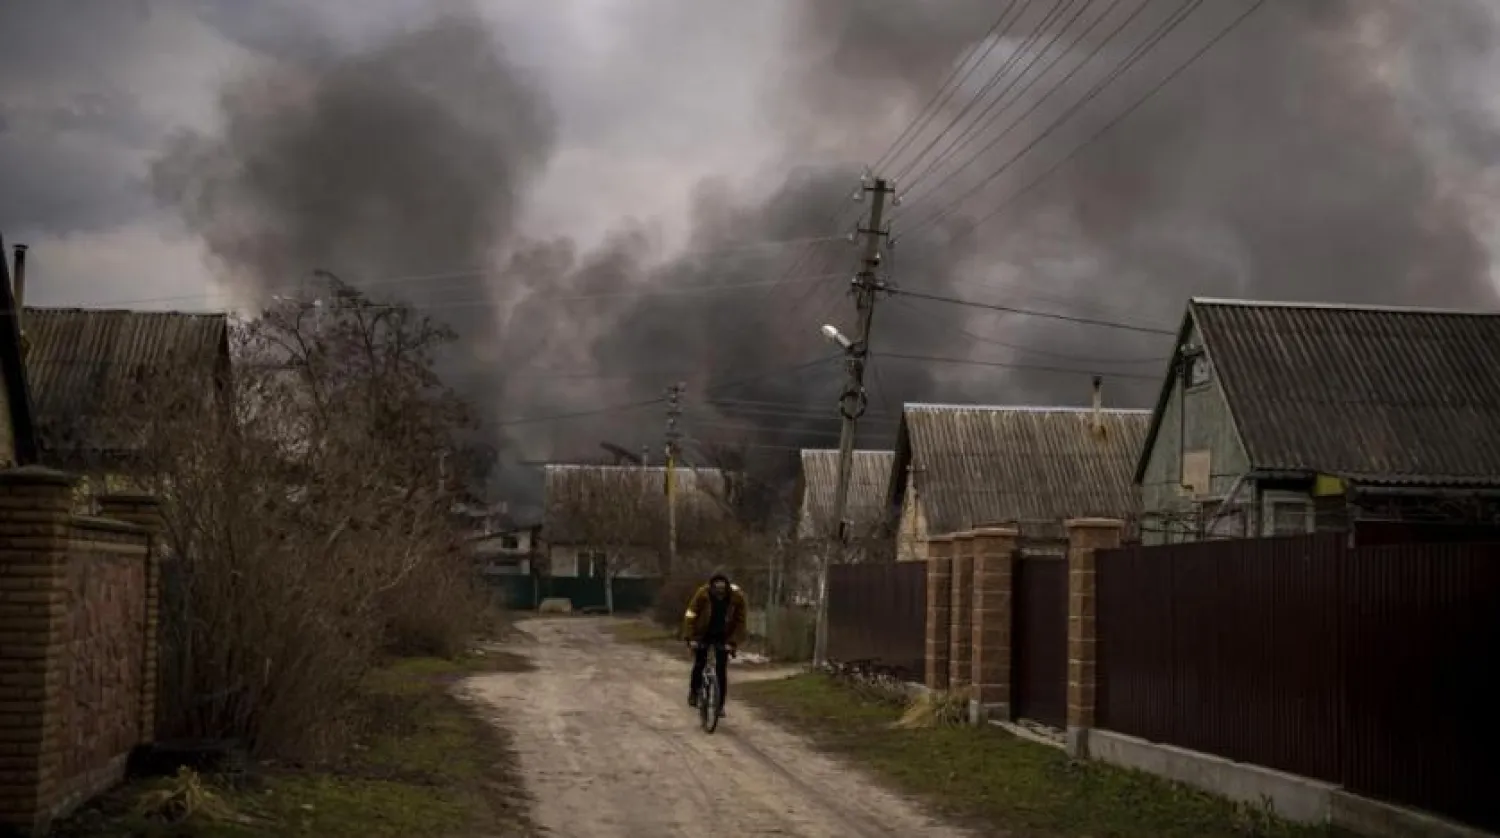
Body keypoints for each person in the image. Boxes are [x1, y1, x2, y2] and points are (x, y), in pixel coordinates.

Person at [681, 571, 748, 714]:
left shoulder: (737, 597)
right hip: (702, 634)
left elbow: (741, 622)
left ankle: (720, 705)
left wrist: (733, 643)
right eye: (717, 589)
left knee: (721, 670)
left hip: (724, 636)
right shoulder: (702, 594)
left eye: (722, 589)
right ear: (712, 586)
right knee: (700, 663)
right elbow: (691, 615)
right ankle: (694, 692)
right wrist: (691, 638)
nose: (720, 592)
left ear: (727, 587)